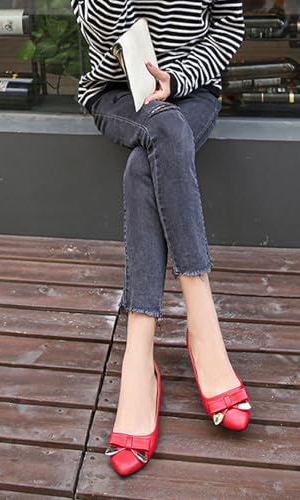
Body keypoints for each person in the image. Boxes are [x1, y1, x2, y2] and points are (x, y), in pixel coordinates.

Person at [70, 0, 252, 476]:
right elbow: (101, 38)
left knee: (145, 162)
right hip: (117, 93)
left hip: (191, 93)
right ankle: (202, 324)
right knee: (164, 129)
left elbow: (228, 27)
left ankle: (140, 351)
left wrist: (180, 78)